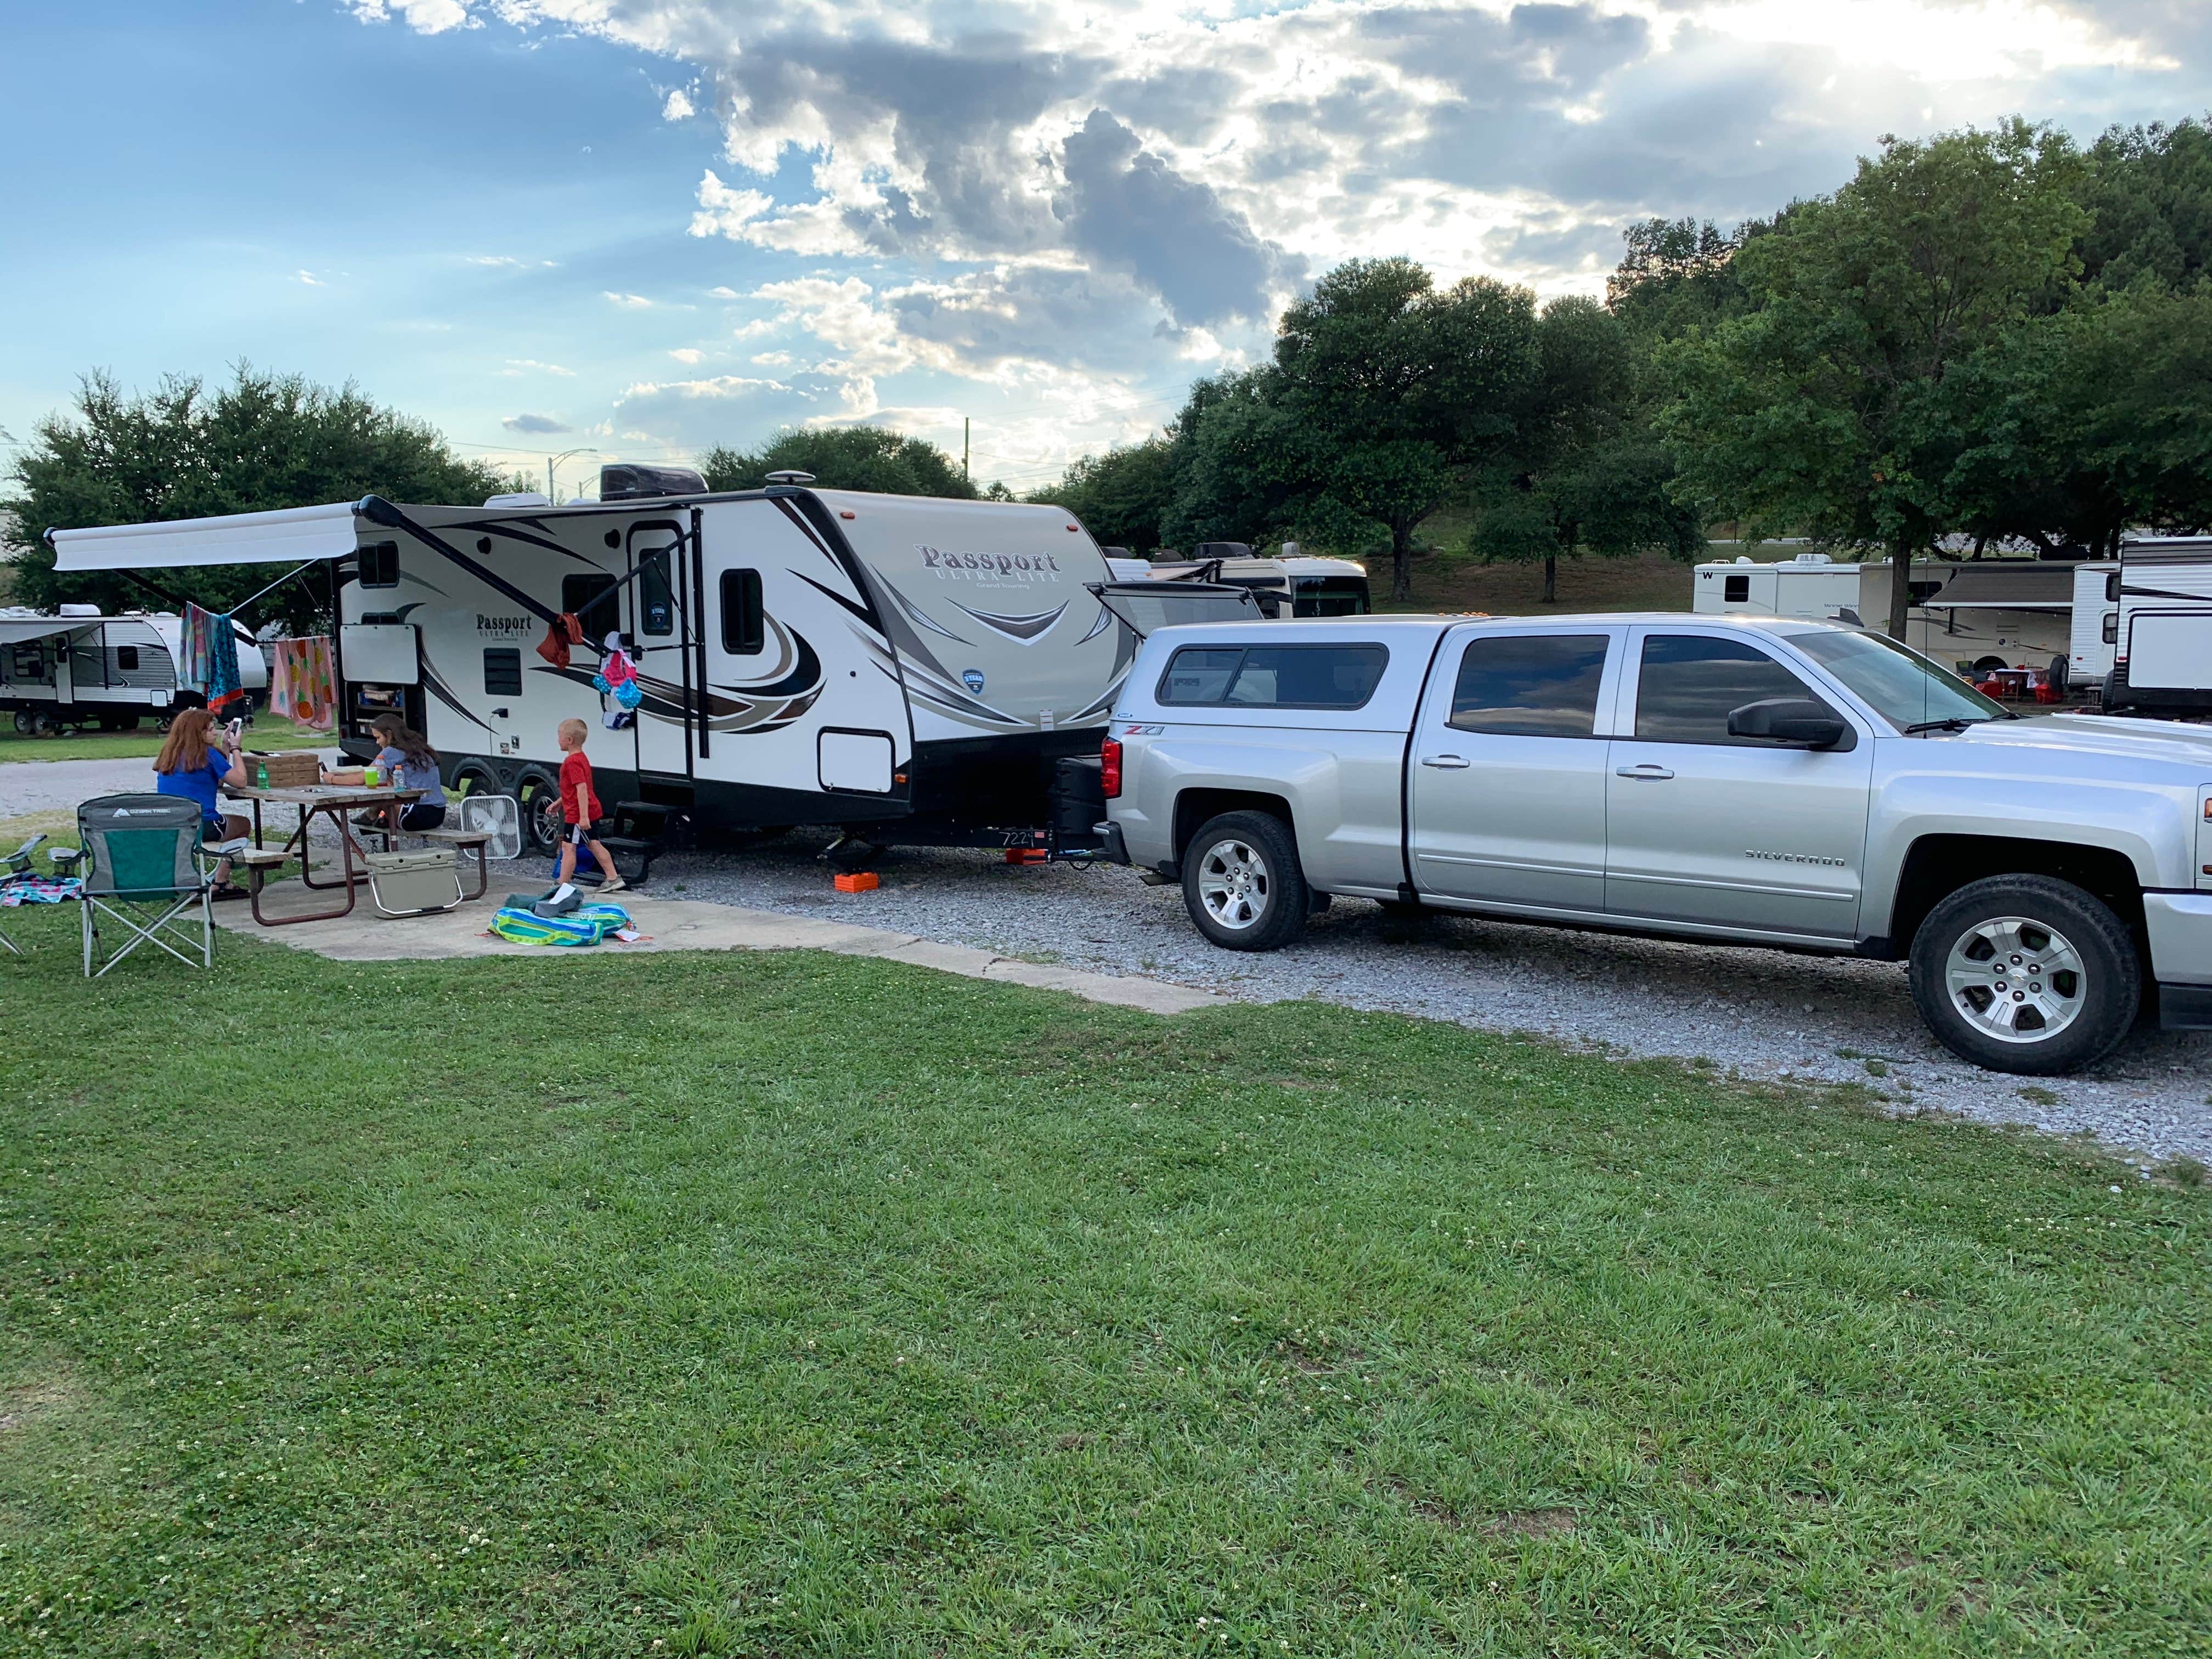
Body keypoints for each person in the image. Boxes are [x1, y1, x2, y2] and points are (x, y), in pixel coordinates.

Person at [151, 707, 250, 899]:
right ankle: (220, 881)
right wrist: (237, 748)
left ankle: (191, 880)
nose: (216, 732)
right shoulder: (207, 755)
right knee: (242, 825)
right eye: (211, 729)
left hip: (172, 824)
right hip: (202, 825)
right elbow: (240, 781)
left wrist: (225, 747)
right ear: (198, 733)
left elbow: (220, 779)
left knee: (224, 825)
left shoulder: (170, 755)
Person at [322, 714, 448, 832]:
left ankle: (371, 814)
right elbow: (369, 772)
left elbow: (363, 778)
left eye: (378, 738)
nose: (377, 743)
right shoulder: (420, 749)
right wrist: (342, 776)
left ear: (389, 734)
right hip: (438, 814)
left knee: (380, 788)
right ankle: (373, 815)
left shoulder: (392, 751)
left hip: (414, 814)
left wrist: (332, 779)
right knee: (388, 782)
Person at [555, 716, 624, 892]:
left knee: (568, 847)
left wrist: (583, 817)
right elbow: (574, 789)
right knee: (593, 843)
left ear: (569, 741)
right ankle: (613, 877)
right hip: (584, 810)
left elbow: (582, 789)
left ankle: (562, 884)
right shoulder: (581, 758)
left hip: (578, 814)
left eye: (560, 736)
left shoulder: (572, 762)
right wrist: (560, 802)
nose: (558, 740)